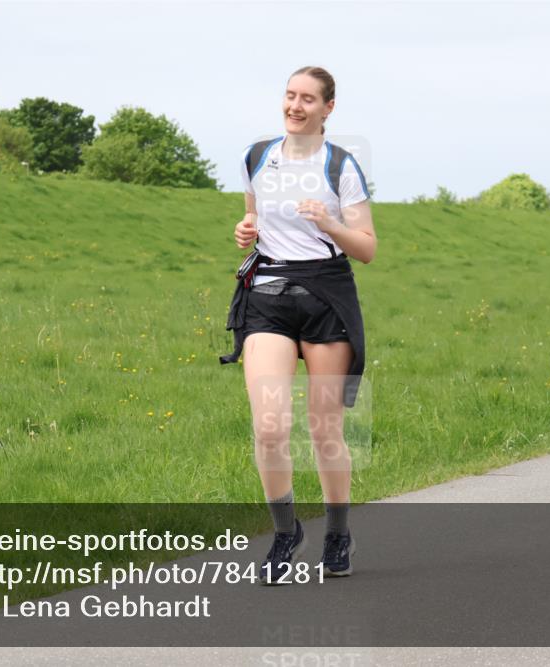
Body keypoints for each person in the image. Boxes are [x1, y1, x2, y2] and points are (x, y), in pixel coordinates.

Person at [220, 66, 376, 584]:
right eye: (290, 95)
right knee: (268, 426)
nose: (295, 105)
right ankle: (286, 534)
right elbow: (253, 221)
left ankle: (337, 534)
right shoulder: (257, 156)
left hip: (326, 297)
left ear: (328, 108)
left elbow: (368, 248)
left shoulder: (341, 165)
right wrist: (246, 230)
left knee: (324, 428)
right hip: (268, 296)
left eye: (308, 98)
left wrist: (330, 223)